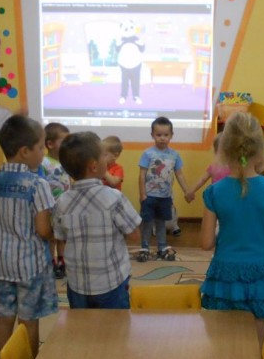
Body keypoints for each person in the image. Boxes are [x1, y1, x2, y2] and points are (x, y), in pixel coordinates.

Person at [199, 112, 264, 345]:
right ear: (260, 150)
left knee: (224, 340)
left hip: (225, 274)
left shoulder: (214, 192)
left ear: (224, 149)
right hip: (261, 272)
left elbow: (206, 243)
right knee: (255, 340)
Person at [0, 115, 57, 359]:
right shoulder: (37, 184)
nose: (44, 152)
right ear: (25, 151)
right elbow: (43, 229)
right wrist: (55, 233)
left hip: (1, 265)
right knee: (28, 321)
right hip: (30, 266)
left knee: (3, 319)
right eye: (41, 147)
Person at [54, 132, 142, 308]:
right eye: (104, 155)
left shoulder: (61, 201)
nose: (107, 159)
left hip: (77, 284)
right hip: (111, 283)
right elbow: (135, 236)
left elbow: (60, 236)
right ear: (94, 166)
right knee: (116, 324)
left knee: (81, 323)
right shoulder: (114, 197)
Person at [137, 116, 193, 261]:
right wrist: (142, 194)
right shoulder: (148, 154)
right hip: (149, 196)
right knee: (147, 222)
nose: (162, 138)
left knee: (161, 222)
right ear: (152, 135)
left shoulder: (174, 155)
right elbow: (142, 174)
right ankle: (145, 247)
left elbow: (179, 174)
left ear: (171, 135)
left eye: (166, 135)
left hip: (165, 197)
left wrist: (186, 190)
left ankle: (162, 246)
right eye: (158, 135)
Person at [39, 122, 71, 278]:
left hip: (64, 206)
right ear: (50, 144)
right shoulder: (44, 162)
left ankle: (62, 261)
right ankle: (51, 262)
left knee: (62, 236)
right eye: (63, 141)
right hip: (50, 206)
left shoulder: (67, 161)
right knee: (51, 236)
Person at [187, 133, 231, 199]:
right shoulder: (214, 167)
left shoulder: (234, 166)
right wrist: (192, 190)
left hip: (225, 196)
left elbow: (202, 180)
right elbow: (202, 179)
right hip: (218, 197)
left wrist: (192, 190)